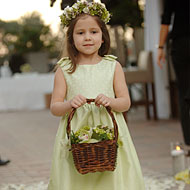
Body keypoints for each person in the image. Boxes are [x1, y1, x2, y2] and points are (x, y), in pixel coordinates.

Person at [48, 1, 145, 190]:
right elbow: (55, 107)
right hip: (77, 134)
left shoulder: (112, 66)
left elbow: (125, 103)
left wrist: (111, 101)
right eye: (80, 33)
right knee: (77, 178)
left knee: (112, 177)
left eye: (94, 32)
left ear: (103, 37)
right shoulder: (65, 69)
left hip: (109, 129)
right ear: (71, 38)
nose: (87, 38)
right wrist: (69, 104)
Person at [157, 0, 190, 145]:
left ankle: (189, 141)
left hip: (181, 44)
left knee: (184, 93)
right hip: (181, 44)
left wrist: (160, 47)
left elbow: (166, 20)